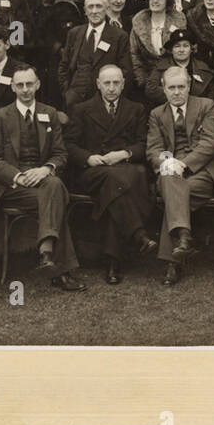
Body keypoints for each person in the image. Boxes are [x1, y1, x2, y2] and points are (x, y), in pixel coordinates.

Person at [0, 66, 84, 291]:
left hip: (42, 181)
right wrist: (17, 176)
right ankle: (58, 267)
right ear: (12, 87)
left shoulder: (49, 113)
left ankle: (48, 256)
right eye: (20, 85)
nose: (25, 89)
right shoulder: (0, 117)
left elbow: (60, 153)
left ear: (38, 84)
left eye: (29, 84)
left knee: (54, 186)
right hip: (12, 188)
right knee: (56, 192)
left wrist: (45, 169)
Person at [65, 64, 156, 285]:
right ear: (98, 84)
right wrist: (88, 157)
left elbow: (144, 144)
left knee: (116, 189)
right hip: (93, 171)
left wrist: (124, 153)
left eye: (116, 82)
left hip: (124, 168)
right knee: (119, 182)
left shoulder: (136, 109)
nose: (112, 88)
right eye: (107, 83)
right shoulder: (81, 109)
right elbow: (68, 144)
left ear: (124, 84)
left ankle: (113, 261)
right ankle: (138, 235)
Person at [146, 66, 214, 285]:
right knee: (172, 182)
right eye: (172, 88)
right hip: (171, 171)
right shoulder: (156, 114)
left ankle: (173, 261)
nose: (177, 92)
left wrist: (184, 164)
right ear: (164, 88)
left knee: (175, 194)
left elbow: (209, 144)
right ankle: (184, 240)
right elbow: (153, 149)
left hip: (200, 171)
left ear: (189, 86)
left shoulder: (206, 106)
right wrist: (168, 161)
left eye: (181, 87)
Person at [59, 0, 132, 109]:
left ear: (107, 9)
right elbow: (64, 65)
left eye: (99, 6)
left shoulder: (119, 36)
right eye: (90, 7)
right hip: (75, 100)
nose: (94, 11)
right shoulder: (74, 33)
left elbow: (126, 71)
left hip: (104, 102)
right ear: (85, 11)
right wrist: (67, 92)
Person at [130, 0, 186, 97]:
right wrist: (142, 80)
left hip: (173, 76)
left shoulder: (178, 21)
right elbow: (134, 54)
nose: (155, 1)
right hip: (148, 77)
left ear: (167, 1)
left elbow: (183, 51)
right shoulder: (139, 22)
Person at [143, 27, 213, 107]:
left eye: (185, 46)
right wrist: (178, 97)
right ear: (171, 50)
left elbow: (211, 95)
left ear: (191, 49)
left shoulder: (202, 68)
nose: (181, 50)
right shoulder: (161, 67)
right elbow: (151, 90)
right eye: (177, 46)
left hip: (198, 111)